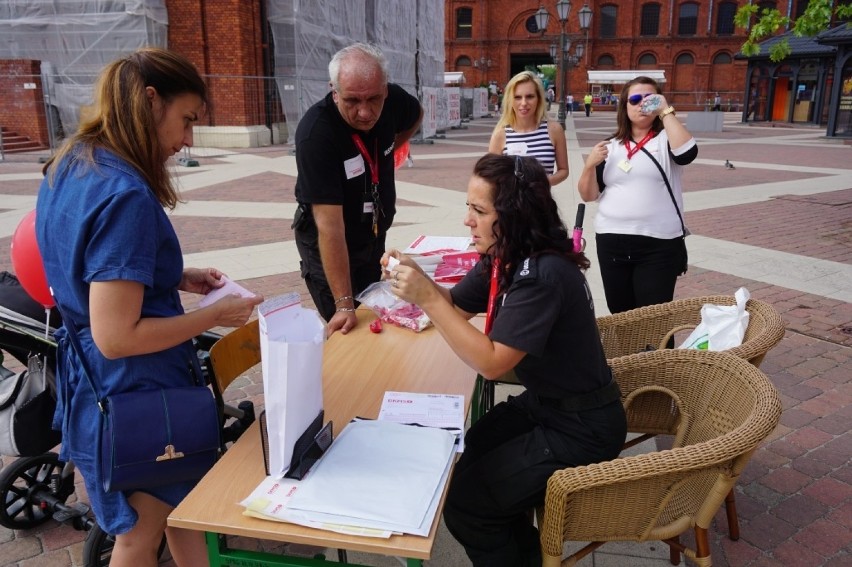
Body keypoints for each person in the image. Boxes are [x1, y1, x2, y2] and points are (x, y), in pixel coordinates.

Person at [35, 47, 263, 567]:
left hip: (98, 385)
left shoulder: (72, 161)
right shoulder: (126, 195)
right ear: (149, 101)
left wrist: (177, 276)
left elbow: (90, 271)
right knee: (140, 534)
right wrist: (216, 315)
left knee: (179, 509)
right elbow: (117, 336)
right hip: (137, 388)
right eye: (186, 121)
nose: (186, 141)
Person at [382, 154, 627, 567]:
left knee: (467, 505)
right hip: (548, 405)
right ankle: (525, 554)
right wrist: (420, 277)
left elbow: (492, 364)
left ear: (512, 216)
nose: (467, 221)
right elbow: (457, 306)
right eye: (469, 207)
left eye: (479, 211)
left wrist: (425, 297)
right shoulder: (508, 255)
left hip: (581, 428)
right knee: (470, 451)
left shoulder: (541, 274)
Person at [292, 43, 423, 333]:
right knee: (349, 325)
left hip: (371, 232)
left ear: (385, 89)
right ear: (334, 91)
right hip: (329, 242)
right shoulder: (316, 135)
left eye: (373, 99)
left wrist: (389, 151)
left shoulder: (395, 101)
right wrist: (343, 304)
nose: (365, 112)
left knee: (375, 314)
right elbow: (330, 227)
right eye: (352, 101)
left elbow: (415, 115)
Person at [578, 76, 697, 314]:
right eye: (635, 99)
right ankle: (628, 354)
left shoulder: (667, 139)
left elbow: (687, 153)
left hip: (658, 244)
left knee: (653, 317)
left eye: (649, 99)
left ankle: (659, 354)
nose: (642, 104)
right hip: (611, 241)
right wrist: (590, 165)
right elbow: (588, 195)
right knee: (621, 314)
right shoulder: (610, 146)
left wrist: (665, 110)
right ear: (624, 106)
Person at [487, 71, 568, 186]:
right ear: (510, 100)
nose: (524, 103)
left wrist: (542, 183)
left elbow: (564, 170)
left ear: (539, 99)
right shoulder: (500, 134)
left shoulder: (554, 130)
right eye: (517, 97)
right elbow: (490, 176)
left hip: (542, 202)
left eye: (530, 96)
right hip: (509, 202)